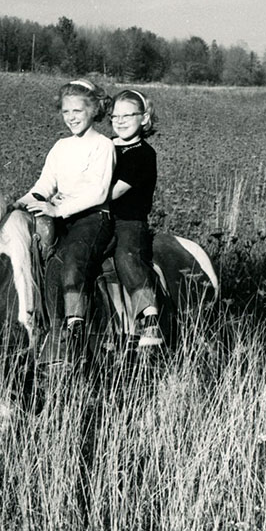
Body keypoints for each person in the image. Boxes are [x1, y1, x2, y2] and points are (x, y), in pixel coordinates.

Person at [16, 78, 115, 353]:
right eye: (66, 112)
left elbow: (98, 192)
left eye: (78, 111)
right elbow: (43, 186)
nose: (71, 117)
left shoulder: (103, 145)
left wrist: (58, 209)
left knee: (73, 256)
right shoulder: (61, 147)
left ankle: (76, 325)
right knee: (51, 267)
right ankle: (54, 331)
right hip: (64, 218)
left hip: (95, 218)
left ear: (94, 110)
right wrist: (19, 203)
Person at [108, 89, 162, 349]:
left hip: (129, 221)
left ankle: (148, 316)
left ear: (144, 118)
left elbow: (112, 192)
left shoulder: (142, 154)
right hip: (100, 218)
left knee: (125, 256)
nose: (119, 121)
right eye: (114, 116)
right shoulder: (104, 146)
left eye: (127, 115)